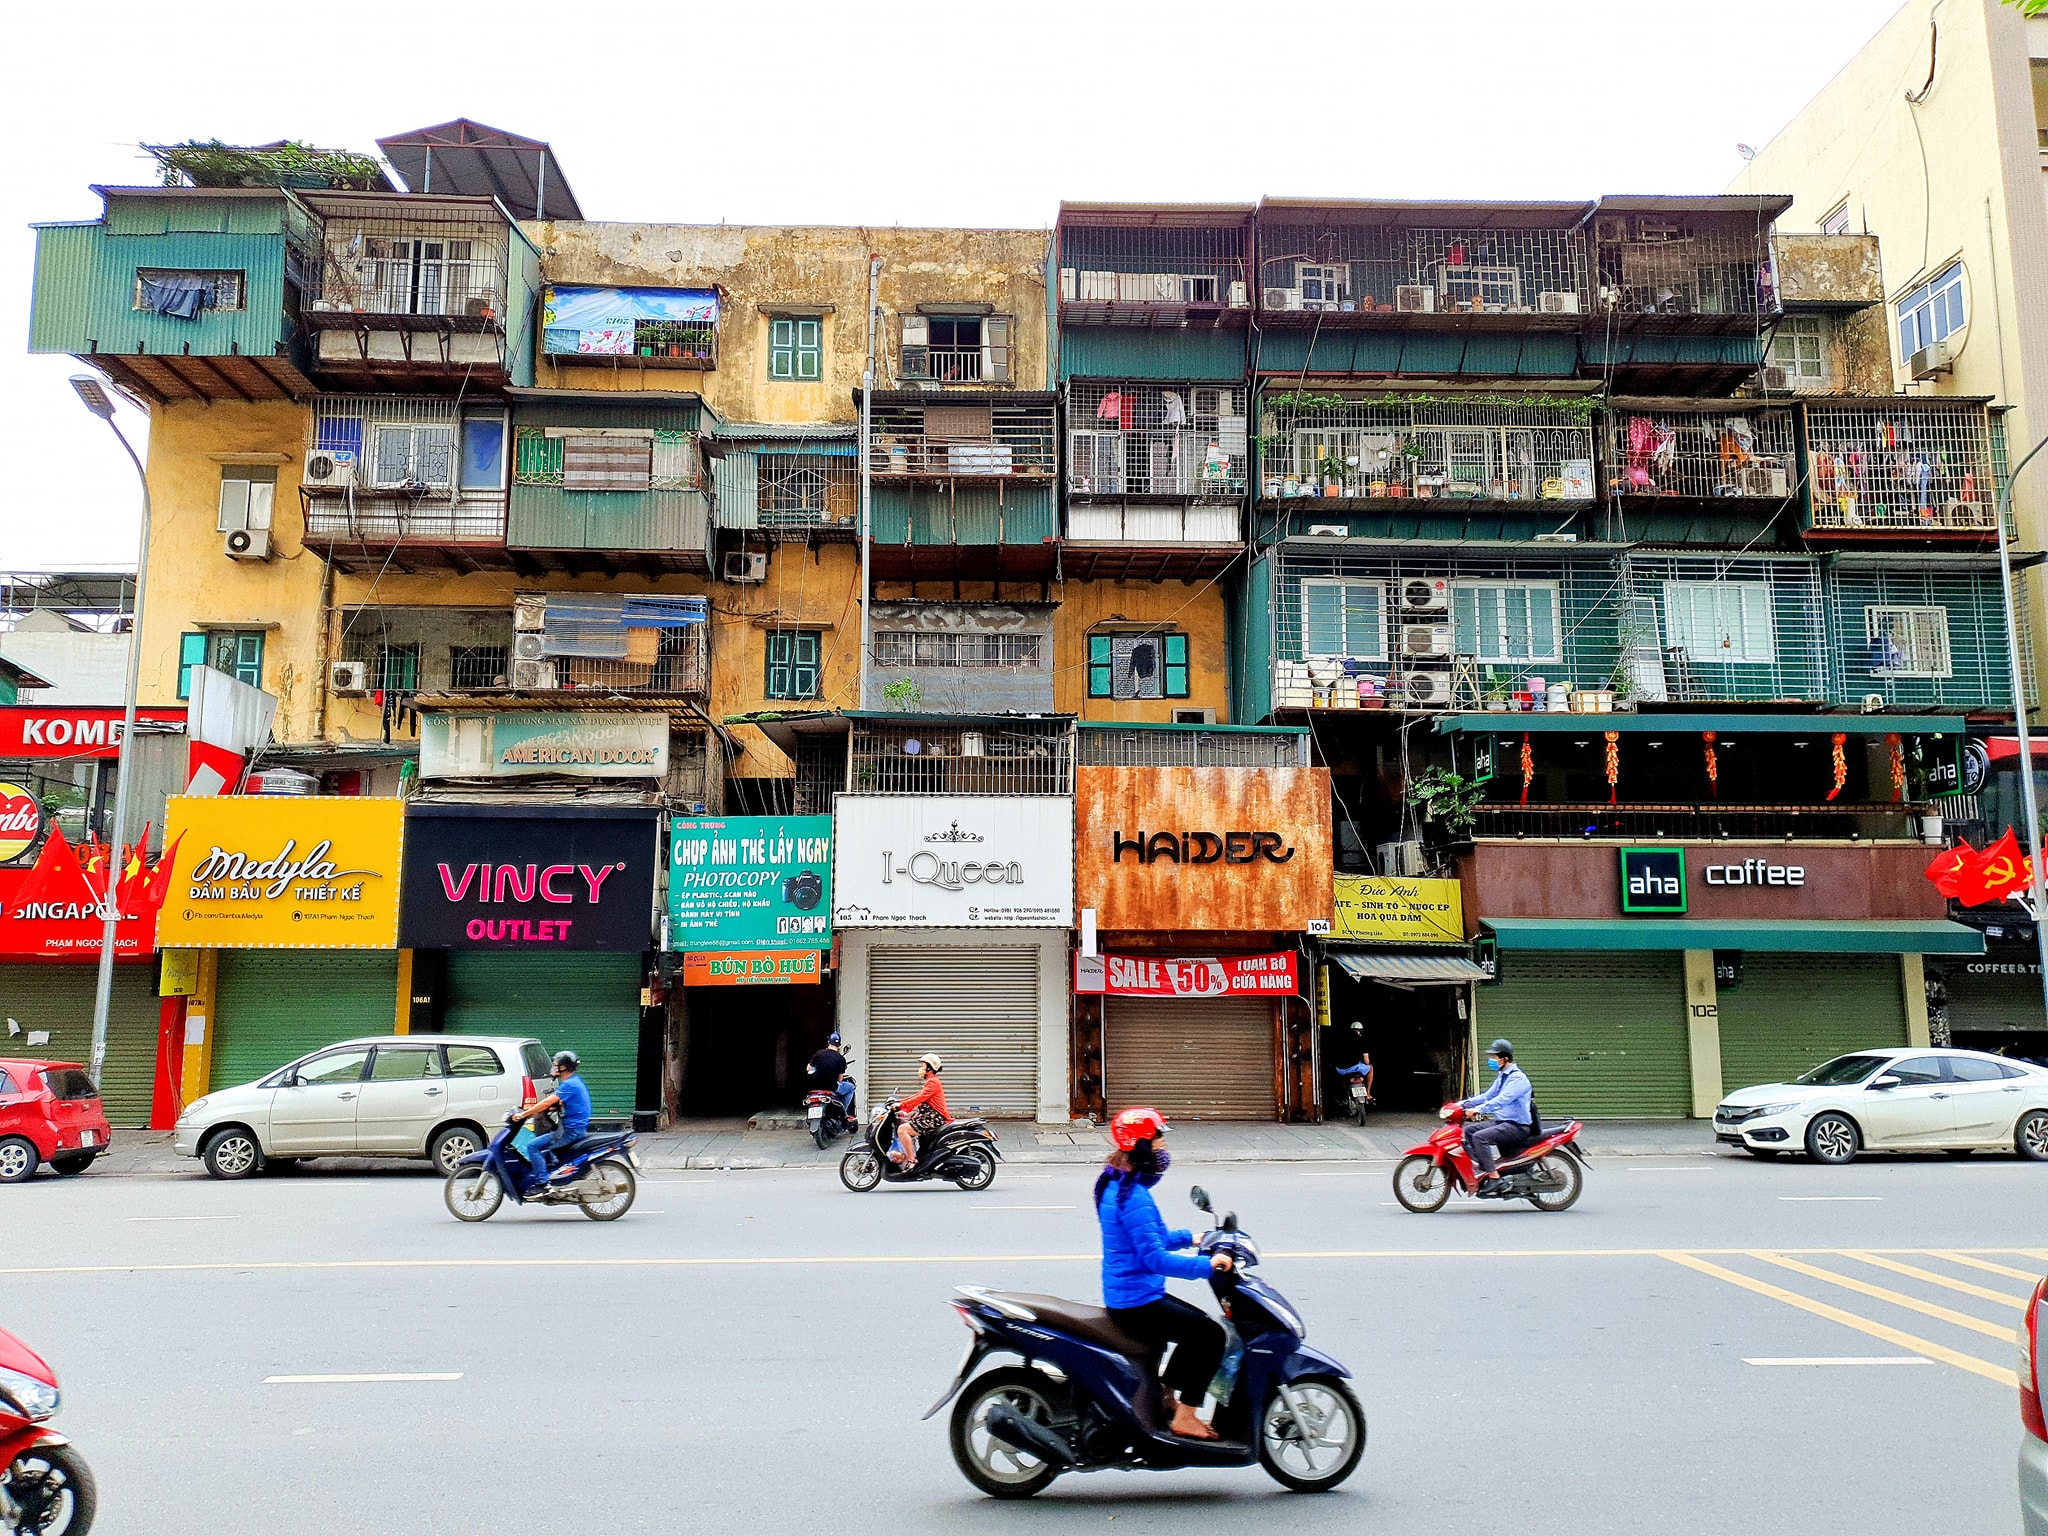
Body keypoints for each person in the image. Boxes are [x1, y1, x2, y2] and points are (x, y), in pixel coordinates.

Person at [1096, 1107, 1234, 1441]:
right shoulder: (1133, 1197)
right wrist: (1208, 1265)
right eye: (1160, 1139)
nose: (1165, 1148)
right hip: (1135, 1302)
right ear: (1143, 1145)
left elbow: (1149, 1238)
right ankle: (1185, 1416)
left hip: (1134, 1293)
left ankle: (1165, 1395)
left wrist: (1191, 1238)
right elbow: (1155, 1258)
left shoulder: (1118, 1183)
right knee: (1210, 1335)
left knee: (1197, 1325)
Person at [1448, 1038, 1533, 1190]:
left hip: (1517, 1125)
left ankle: (1494, 1177)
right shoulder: (1502, 1076)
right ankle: (1483, 1168)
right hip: (1503, 1122)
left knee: (1480, 1137)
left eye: (1494, 1057)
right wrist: (1462, 1104)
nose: (1491, 1060)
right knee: (1470, 1131)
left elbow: (1501, 1100)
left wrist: (1478, 1110)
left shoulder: (1517, 1078)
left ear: (1505, 1058)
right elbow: (1487, 1096)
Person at [516, 1051, 591, 1188]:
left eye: (556, 1065)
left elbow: (546, 1102)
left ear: (564, 1067)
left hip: (571, 1130)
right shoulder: (574, 1081)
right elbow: (559, 1102)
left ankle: (543, 1182)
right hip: (572, 1127)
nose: (554, 1067)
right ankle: (553, 1169)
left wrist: (524, 1114)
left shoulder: (569, 1085)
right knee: (545, 1142)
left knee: (532, 1146)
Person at [890, 1053, 948, 1169]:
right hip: (928, 1116)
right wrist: (900, 1102)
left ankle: (911, 1160)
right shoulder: (931, 1081)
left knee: (902, 1130)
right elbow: (918, 1095)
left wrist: (901, 1105)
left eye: (923, 1066)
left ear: (930, 1068)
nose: (920, 1069)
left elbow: (919, 1098)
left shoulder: (933, 1082)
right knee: (903, 1123)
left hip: (933, 1117)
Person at [809, 1032, 854, 1117]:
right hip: (831, 1087)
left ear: (829, 1042)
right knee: (851, 1087)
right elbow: (840, 1079)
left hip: (816, 1086)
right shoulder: (840, 1059)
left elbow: (808, 1068)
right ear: (839, 1045)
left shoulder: (818, 1054)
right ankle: (842, 1112)